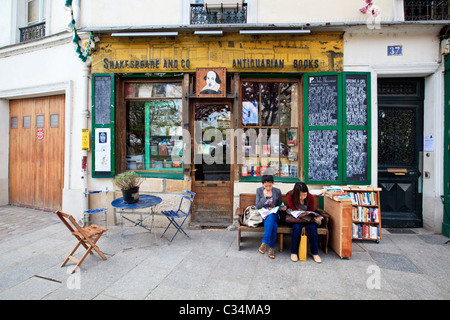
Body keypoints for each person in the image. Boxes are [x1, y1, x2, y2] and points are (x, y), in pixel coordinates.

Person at [286, 182, 323, 263]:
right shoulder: (290, 195)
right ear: (295, 193)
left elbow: (311, 210)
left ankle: (315, 253)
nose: (302, 197)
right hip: (296, 219)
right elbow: (292, 208)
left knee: (312, 228)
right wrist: (300, 213)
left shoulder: (310, 197)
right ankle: (294, 252)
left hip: (307, 219)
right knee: (297, 228)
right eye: (299, 195)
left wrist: (308, 214)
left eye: (304, 195)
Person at [256, 175, 286, 259]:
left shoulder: (277, 191)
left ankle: (264, 242)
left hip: (275, 214)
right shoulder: (259, 191)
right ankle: (271, 248)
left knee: (272, 216)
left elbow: (279, 204)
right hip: (264, 215)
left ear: (273, 184)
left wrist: (282, 207)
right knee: (274, 225)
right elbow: (258, 206)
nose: (268, 188)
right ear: (263, 185)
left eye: (270, 185)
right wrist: (264, 197)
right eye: (266, 186)